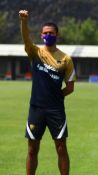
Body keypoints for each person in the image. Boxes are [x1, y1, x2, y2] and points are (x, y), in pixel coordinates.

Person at [19, 10, 76, 175]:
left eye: (51, 33)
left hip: (56, 110)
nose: (48, 35)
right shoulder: (35, 52)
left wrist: (57, 97)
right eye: (45, 33)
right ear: (41, 35)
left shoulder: (65, 59)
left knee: (61, 148)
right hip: (36, 108)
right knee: (32, 149)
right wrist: (24, 21)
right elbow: (26, 37)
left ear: (57, 35)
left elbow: (70, 87)